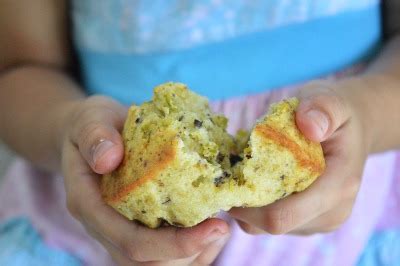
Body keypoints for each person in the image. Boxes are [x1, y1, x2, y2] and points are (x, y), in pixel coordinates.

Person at [0, 0, 400, 265]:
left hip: (353, 232)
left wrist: (365, 113)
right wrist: (65, 130)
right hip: (89, 234)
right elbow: (21, 68)